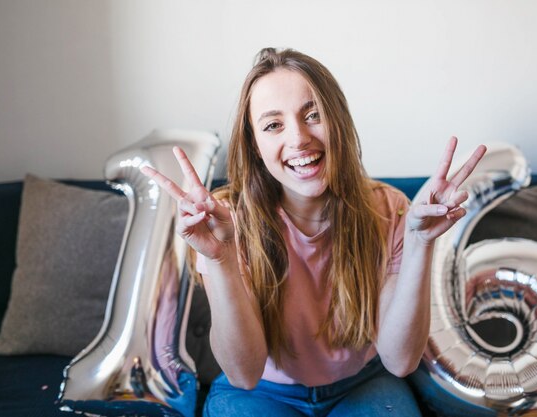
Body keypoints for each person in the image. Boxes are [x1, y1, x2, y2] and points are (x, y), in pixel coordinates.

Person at [141, 47, 486, 417]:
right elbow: (244, 374)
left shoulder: (389, 208)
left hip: (363, 383)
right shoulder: (225, 220)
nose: (300, 137)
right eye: (274, 125)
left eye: (314, 115)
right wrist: (221, 259)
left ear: (338, 121)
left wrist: (420, 243)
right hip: (261, 393)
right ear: (256, 147)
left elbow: (400, 361)